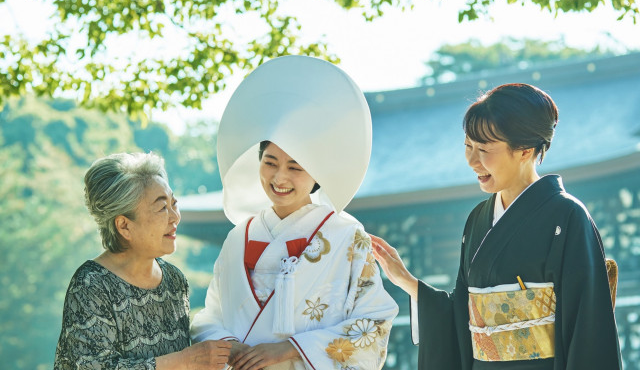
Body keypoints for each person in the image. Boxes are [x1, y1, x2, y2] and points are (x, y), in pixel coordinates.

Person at [371, 83, 622, 370]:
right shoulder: (477, 219)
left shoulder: (567, 217)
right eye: (467, 146)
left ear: (525, 150)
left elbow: (588, 327)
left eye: (484, 149)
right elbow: (460, 315)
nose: (471, 161)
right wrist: (409, 283)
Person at [190, 56, 399, 370]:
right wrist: (231, 348)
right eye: (270, 162)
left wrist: (290, 349)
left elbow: (373, 322)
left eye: (295, 167)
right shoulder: (239, 237)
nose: (279, 178)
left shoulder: (345, 236)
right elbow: (210, 315)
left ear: (317, 174)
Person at [54, 152, 231, 370]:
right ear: (124, 226)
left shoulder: (175, 281)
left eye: (173, 203)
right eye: (161, 208)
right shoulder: (91, 286)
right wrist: (185, 361)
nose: (175, 217)